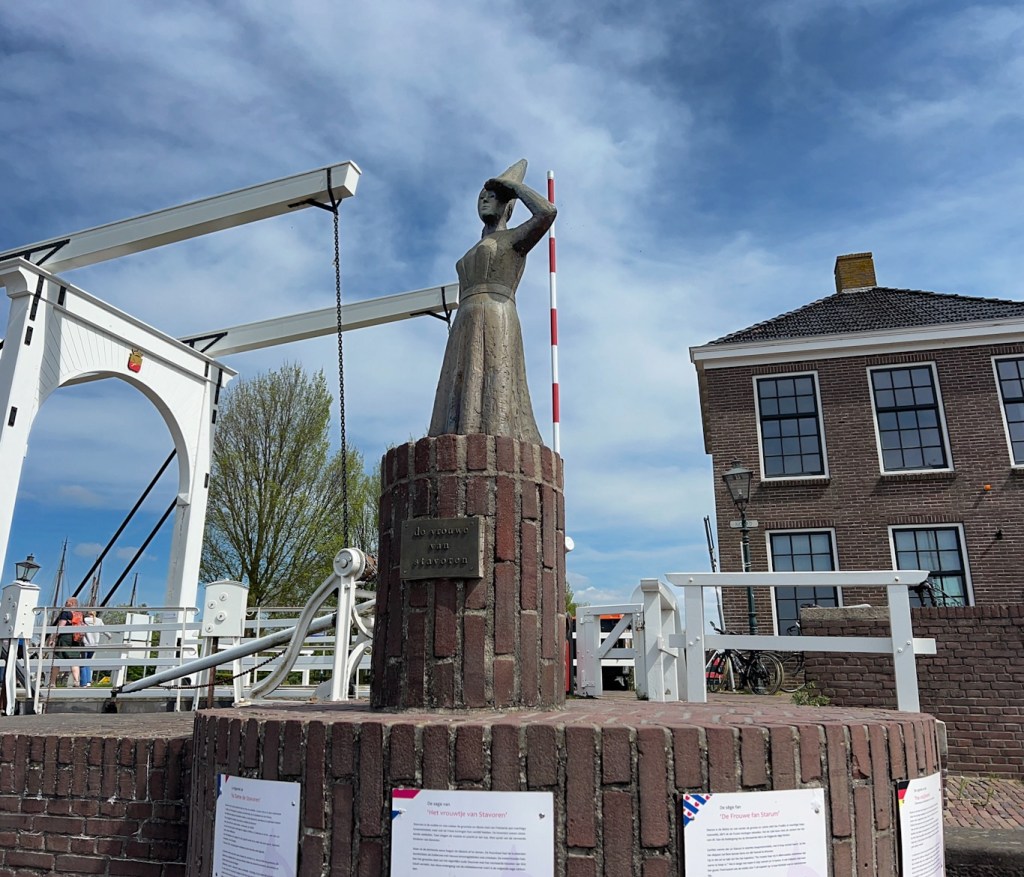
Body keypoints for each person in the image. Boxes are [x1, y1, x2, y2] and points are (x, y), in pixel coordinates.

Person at [428, 159, 556, 443]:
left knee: (494, 376)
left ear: (507, 206)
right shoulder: (475, 247)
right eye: (481, 197)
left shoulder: (513, 239)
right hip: (464, 319)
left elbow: (547, 212)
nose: (485, 200)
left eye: (493, 196)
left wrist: (513, 187)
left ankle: (496, 439)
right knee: (460, 383)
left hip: (496, 314)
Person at [50, 597, 83, 688]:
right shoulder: (79, 613)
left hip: (65, 638)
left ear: (71, 603)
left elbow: (61, 626)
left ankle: (52, 682)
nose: (65, 603)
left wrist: (53, 638)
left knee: (57, 660)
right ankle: (76, 681)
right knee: (74, 661)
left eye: (66, 602)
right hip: (75, 639)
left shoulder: (66, 613)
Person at [80, 610, 105, 686]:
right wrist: (109, 636)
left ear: (88, 613)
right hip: (94, 644)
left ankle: (84, 682)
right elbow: (104, 630)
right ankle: (88, 681)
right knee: (88, 661)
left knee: (83, 663)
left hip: (86, 643)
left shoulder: (84, 620)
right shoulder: (99, 621)